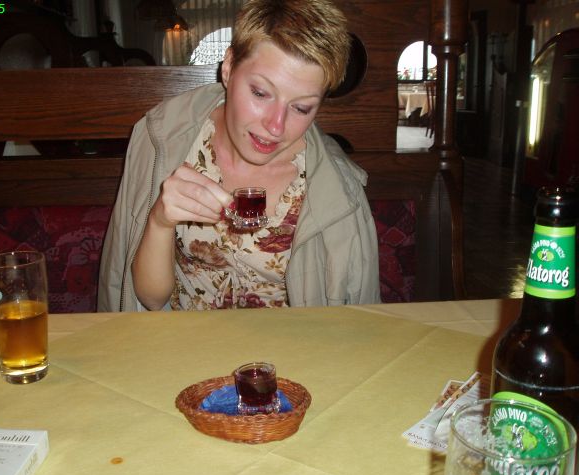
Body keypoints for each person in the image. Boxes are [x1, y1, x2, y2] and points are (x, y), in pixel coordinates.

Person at [98, 0, 380, 312]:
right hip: (184, 340)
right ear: (229, 67)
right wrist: (160, 221)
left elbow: (357, 321)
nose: (275, 126)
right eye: (260, 93)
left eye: (301, 108)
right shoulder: (161, 141)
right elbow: (150, 299)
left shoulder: (341, 192)